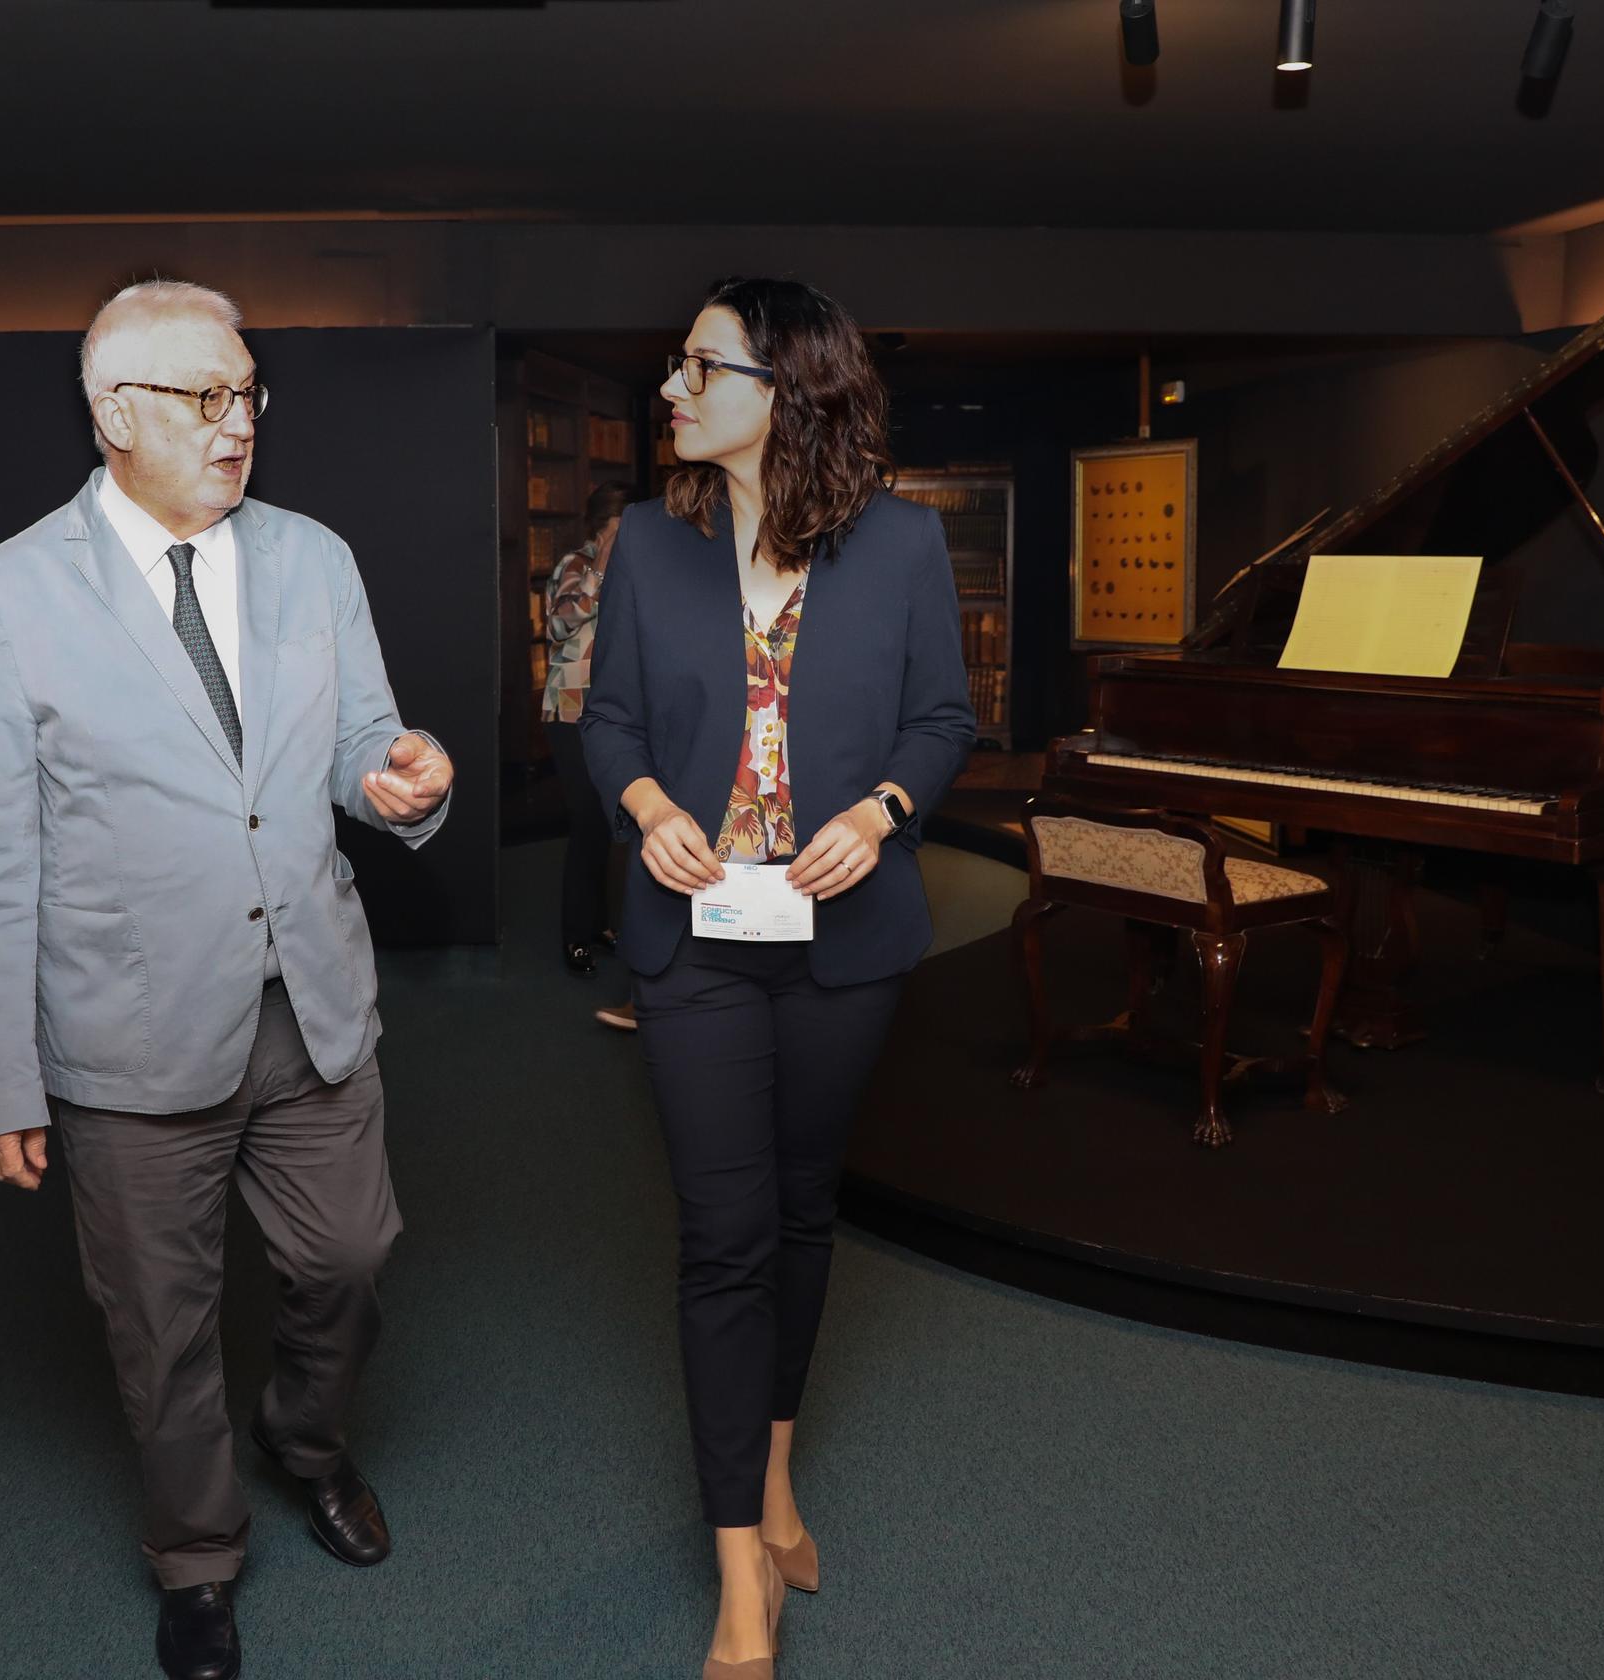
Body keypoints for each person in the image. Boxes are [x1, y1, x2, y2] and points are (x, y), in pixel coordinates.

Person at [0, 279, 453, 1680]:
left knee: (353, 1257)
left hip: (312, 1004)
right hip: (125, 1030)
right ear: (115, 414)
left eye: (250, 396)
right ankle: (198, 1554)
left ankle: (306, 1439)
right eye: (206, 399)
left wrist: (400, 785)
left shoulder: (313, 557)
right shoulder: (8, 597)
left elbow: (363, 742)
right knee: (158, 1327)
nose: (241, 428)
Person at [581, 276, 974, 1678]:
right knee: (724, 1238)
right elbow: (609, 717)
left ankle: (777, 1469)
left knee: (806, 1214)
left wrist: (882, 809)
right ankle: (737, 1573)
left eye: (701, 364)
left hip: (844, 942)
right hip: (692, 942)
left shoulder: (906, 549)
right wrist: (644, 807)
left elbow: (945, 716)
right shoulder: (644, 540)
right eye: (678, 363)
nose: (671, 388)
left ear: (784, 389)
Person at [540, 479, 638, 1031]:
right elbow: (557, 624)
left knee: (608, 825)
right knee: (586, 825)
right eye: (623, 530)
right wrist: (601, 563)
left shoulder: (633, 572)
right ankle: (575, 936)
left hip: (611, 718)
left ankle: (601, 923)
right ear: (606, 527)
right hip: (570, 715)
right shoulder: (576, 565)